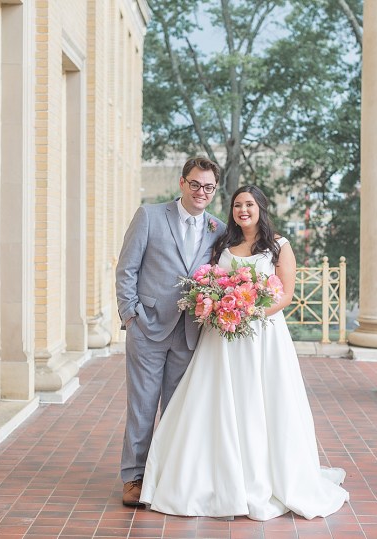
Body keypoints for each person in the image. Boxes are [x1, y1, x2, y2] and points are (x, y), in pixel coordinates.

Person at [139, 185, 349, 520]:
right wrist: (220, 307)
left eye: (249, 204)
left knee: (260, 400)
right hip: (221, 338)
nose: (243, 210)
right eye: (237, 205)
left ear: (261, 207)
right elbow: (212, 281)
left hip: (262, 337)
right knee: (216, 400)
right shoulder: (223, 243)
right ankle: (207, 477)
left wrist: (248, 313)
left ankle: (262, 477)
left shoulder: (279, 246)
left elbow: (285, 295)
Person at [115, 156, 226, 507]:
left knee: (179, 408)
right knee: (143, 406)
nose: (201, 192)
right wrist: (130, 315)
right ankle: (134, 476)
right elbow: (126, 269)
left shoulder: (218, 229)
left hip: (191, 332)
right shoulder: (149, 216)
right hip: (147, 327)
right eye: (195, 184)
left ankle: (166, 475)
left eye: (208, 187)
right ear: (182, 182)